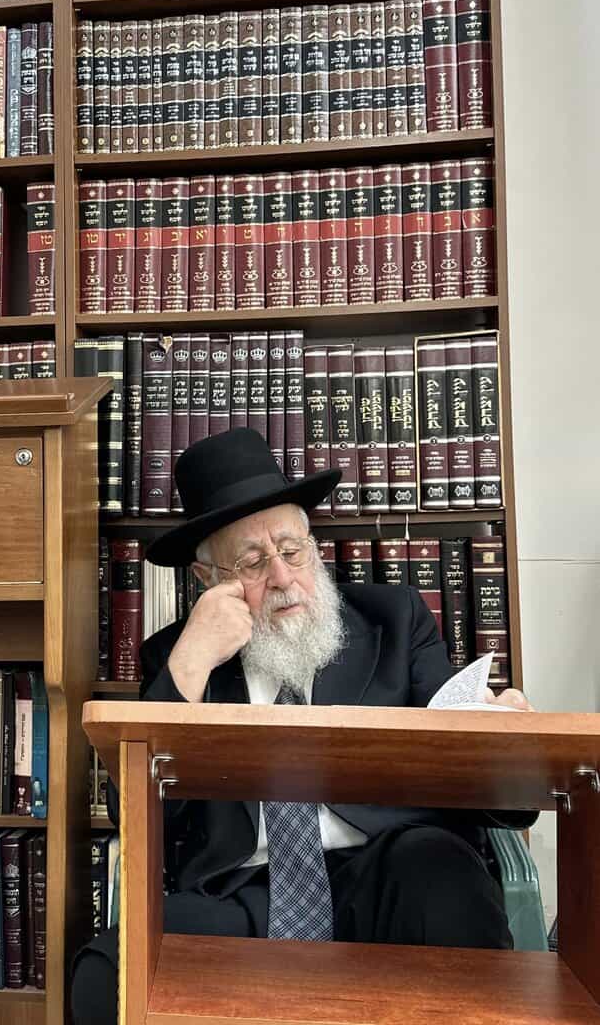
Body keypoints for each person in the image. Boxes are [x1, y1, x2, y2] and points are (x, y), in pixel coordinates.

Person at [71, 428, 536, 1025]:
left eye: (292, 552)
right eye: (252, 562)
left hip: (386, 874)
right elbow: (138, 816)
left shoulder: (394, 621)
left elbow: (480, 773)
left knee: (442, 874)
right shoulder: (179, 656)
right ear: (208, 580)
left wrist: (505, 745)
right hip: (246, 896)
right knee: (105, 975)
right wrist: (189, 665)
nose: (283, 578)